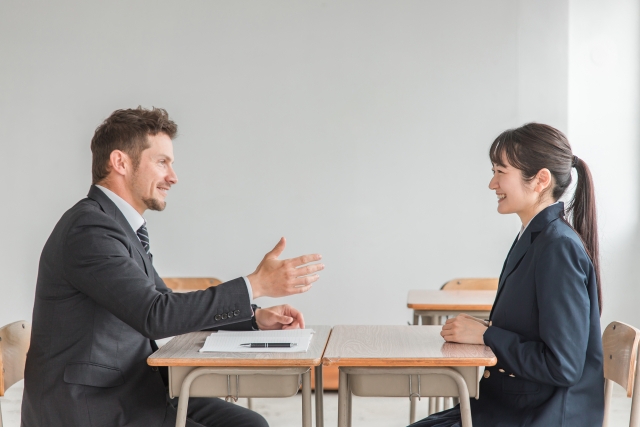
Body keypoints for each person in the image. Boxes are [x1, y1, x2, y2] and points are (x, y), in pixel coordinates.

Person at [21, 107, 325, 427]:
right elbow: (155, 315)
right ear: (120, 162)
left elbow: (166, 303)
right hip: (92, 407)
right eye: (162, 162)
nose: (173, 177)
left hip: (135, 391)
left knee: (251, 425)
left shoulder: (116, 226)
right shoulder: (90, 229)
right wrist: (255, 284)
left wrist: (253, 318)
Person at [411, 123, 604, 427]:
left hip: (540, 415)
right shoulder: (536, 237)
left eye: (501, 172)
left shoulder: (558, 248)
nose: (492, 184)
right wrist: (486, 328)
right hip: (513, 406)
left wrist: (486, 334)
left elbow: (563, 366)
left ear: (540, 179)